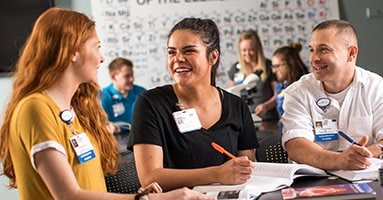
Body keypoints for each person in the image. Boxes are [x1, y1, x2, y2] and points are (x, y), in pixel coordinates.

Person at [0, 8, 214, 200]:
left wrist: (138, 195)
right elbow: (68, 196)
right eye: (97, 47)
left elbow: (89, 188)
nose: (101, 58)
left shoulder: (74, 112)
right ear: (72, 50)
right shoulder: (35, 108)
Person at [127, 18, 258, 191]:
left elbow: (247, 169)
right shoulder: (150, 103)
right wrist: (216, 174)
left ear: (213, 56)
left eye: (189, 51)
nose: (178, 59)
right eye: (172, 52)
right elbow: (150, 177)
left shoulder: (237, 106)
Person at [281, 19, 383, 170]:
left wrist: (362, 155)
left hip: (364, 177)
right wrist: (339, 160)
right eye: (311, 49)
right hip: (314, 183)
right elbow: (296, 145)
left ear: (351, 53)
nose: (314, 58)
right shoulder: (298, 92)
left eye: (323, 49)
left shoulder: (376, 86)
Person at [227, 30, 278, 120]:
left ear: (258, 49)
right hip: (243, 121)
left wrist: (266, 106)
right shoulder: (235, 69)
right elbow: (230, 97)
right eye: (244, 50)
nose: (247, 54)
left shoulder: (269, 66)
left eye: (251, 50)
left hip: (267, 119)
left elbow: (278, 94)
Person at [101, 57, 146, 134]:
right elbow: (100, 125)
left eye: (132, 75)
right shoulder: (103, 96)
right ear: (113, 77)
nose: (131, 79)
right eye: (127, 76)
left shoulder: (141, 93)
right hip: (115, 140)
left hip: (140, 137)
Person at [271, 43, 308, 117]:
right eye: (273, 66)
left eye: (277, 66)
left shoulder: (304, 85)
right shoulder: (279, 86)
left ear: (290, 64)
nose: (274, 71)